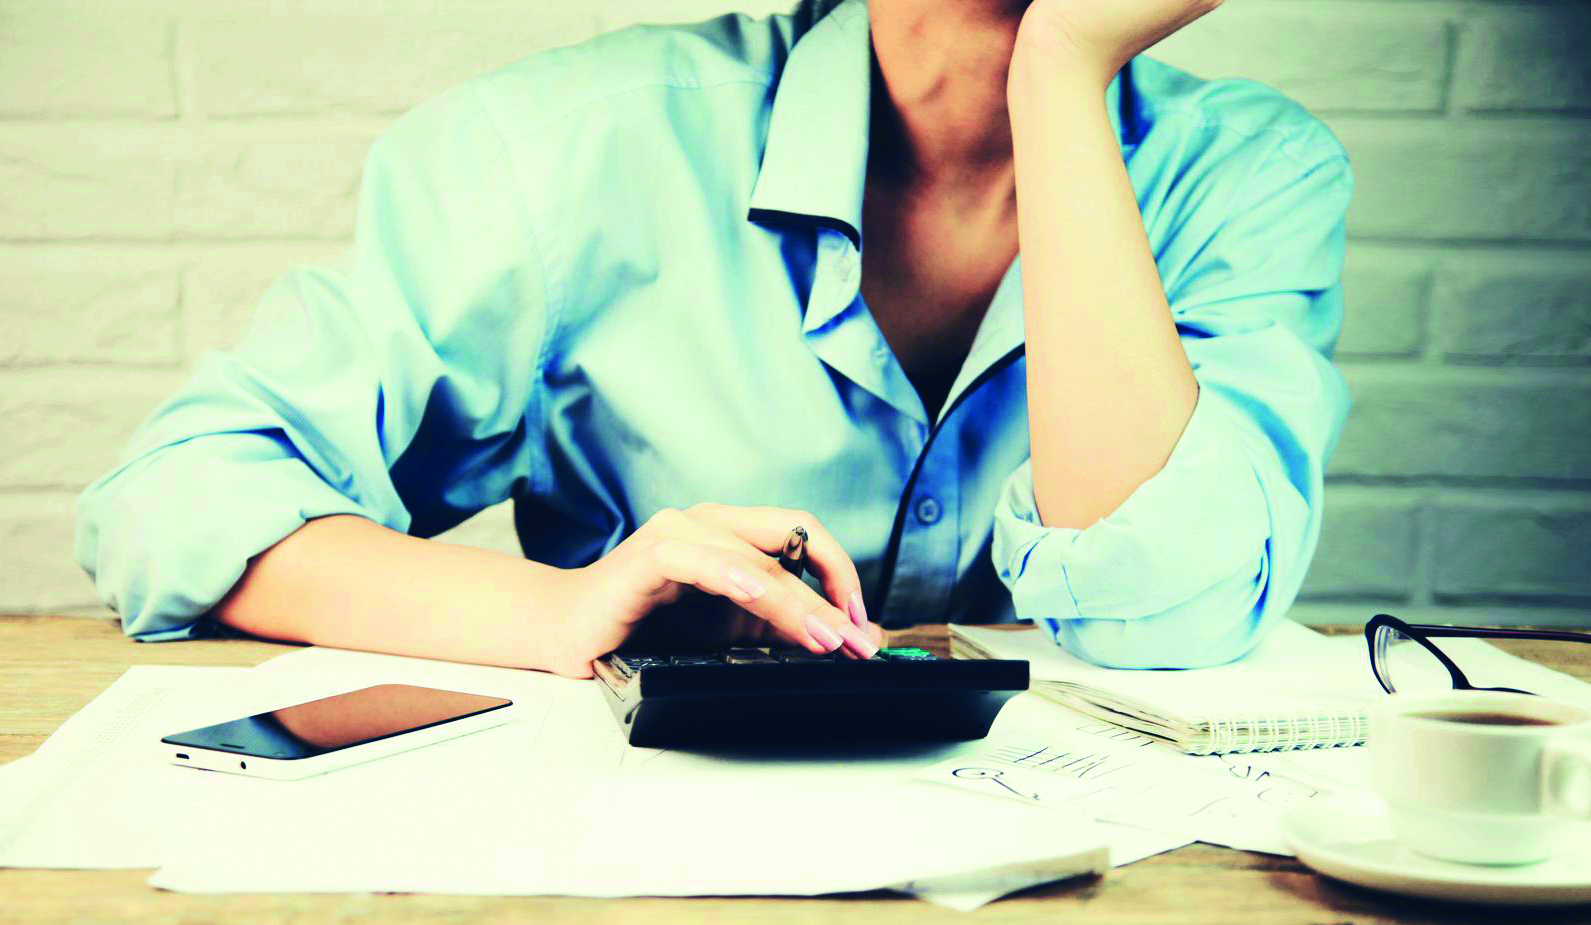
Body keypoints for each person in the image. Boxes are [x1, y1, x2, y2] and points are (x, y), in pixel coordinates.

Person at [75, 0, 1353, 677]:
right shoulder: (572, 150)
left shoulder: (1246, 174)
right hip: (647, 878)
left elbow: (1165, 616)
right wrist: (565, 609)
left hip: (1084, 898)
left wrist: (1060, 70)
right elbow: (176, 502)